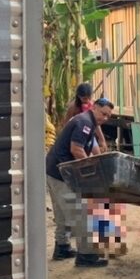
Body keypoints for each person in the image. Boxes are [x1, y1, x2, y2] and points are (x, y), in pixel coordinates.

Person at [46, 97, 114, 267]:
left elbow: (91, 145)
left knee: (62, 213)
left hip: (54, 171)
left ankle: (62, 247)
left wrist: (98, 158)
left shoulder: (88, 121)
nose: (105, 118)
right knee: (80, 214)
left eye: (108, 116)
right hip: (62, 173)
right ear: (95, 108)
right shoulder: (84, 122)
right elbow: (76, 149)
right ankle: (86, 256)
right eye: (103, 114)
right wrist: (89, 172)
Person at [64, 83, 108, 152]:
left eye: (89, 98)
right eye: (84, 98)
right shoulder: (73, 107)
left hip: (88, 133)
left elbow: (96, 124)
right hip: (76, 136)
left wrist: (102, 140)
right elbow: (66, 125)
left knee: (97, 154)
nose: (87, 100)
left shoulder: (93, 105)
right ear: (79, 96)